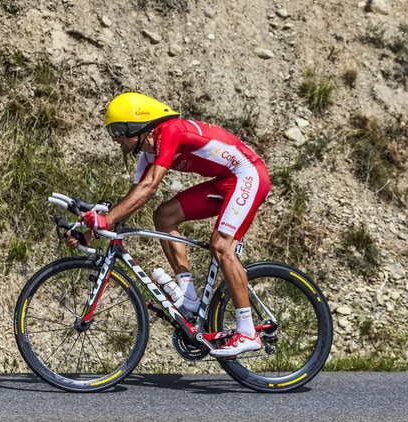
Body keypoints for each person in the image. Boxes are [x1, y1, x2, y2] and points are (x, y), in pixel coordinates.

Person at [65, 92, 270, 357]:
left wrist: (106, 219)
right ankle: (189, 296)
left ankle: (247, 332)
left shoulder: (170, 131)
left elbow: (150, 187)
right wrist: (91, 235)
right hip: (224, 180)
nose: (116, 140)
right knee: (164, 216)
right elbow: (131, 201)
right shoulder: (147, 156)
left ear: (135, 126)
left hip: (248, 175)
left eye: (118, 133)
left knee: (222, 247)